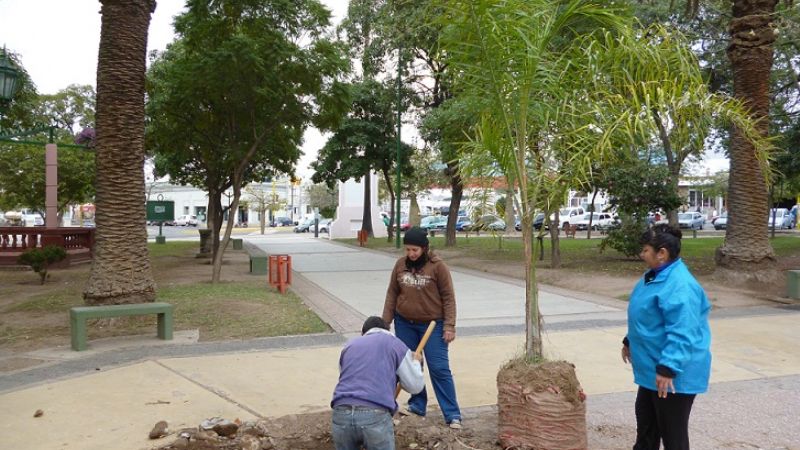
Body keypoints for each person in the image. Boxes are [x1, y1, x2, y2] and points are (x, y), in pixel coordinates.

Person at [621, 224, 712, 450]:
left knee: (673, 436)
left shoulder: (681, 285)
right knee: (646, 426)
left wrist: (668, 367)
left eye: (645, 250)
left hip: (672, 374)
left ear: (661, 253)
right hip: (653, 368)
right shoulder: (653, 276)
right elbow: (647, 315)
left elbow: (683, 330)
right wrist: (629, 340)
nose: (641, 255)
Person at [382, 226, 463, 429]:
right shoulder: (400, 265)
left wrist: (450, 325)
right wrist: (385, 323)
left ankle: (452, 414)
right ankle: (417, 405)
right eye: (408, 250)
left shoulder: (438, 267)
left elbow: (448, 297)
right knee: (410, 367)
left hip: (433, 325)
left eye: (415, 250)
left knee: (439, 368)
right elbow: (392, 293)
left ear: (424, 249)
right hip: (404, 323)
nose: (411, 254)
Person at [331, 316, 424, 450]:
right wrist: (416, 363)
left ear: (363, 333)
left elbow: (345, 376)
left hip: (340, 413)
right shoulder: (395, 344)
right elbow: (415, 386)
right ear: (387, 330)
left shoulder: (349, 346)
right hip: (374, 413)